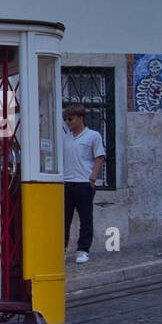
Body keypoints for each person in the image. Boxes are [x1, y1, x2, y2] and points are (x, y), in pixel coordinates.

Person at [61, 105, 106, 264]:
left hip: (83, 183)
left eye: (70, 119)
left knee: (85, 219)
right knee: (64, 220)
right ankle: (62, 250)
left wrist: (92, 179)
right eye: (66, 119)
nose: (68, 122)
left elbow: (99, 157)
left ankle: (83, 250)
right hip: (66, 183)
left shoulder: (93, 136)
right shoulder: (65, 138)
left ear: (80, 118)